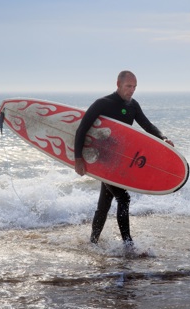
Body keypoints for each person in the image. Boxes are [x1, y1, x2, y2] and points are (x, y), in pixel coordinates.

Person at [74, 70, 174, 247]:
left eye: (134, 87)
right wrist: (78, 158)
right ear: (118, 84)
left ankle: (93, 242)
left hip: (119, 161)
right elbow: (82, 129)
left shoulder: (132, 106)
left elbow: (147, 125)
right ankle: (128, 244)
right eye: (129, 86)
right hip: (103, 161)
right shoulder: (102, 104)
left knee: (105, 203)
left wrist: (163, 138)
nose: (132, 90)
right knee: (124, 198)